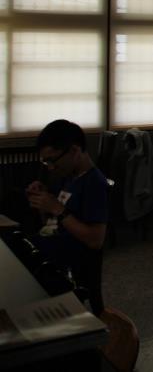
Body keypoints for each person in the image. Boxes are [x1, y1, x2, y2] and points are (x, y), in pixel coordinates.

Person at [27, 119, 109, 277]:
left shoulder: (94, 183)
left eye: (52, 160)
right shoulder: (67, 177)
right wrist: (43, 201)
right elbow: (50, 223)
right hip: (54, 244)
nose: (50, 167)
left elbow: (96, 241)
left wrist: (58, 209)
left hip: (73, 259)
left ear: (74, 151)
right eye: (46, 162)